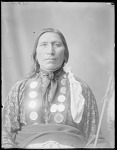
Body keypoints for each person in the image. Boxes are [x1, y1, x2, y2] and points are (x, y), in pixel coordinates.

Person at [2, 28, 109, 148]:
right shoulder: (19, 88)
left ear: (65, 54)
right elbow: (5, 134)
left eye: (57, 45)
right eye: (43, 45)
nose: (50, 51)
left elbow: (94, 138)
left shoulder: (81, 89)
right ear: (35, 55)